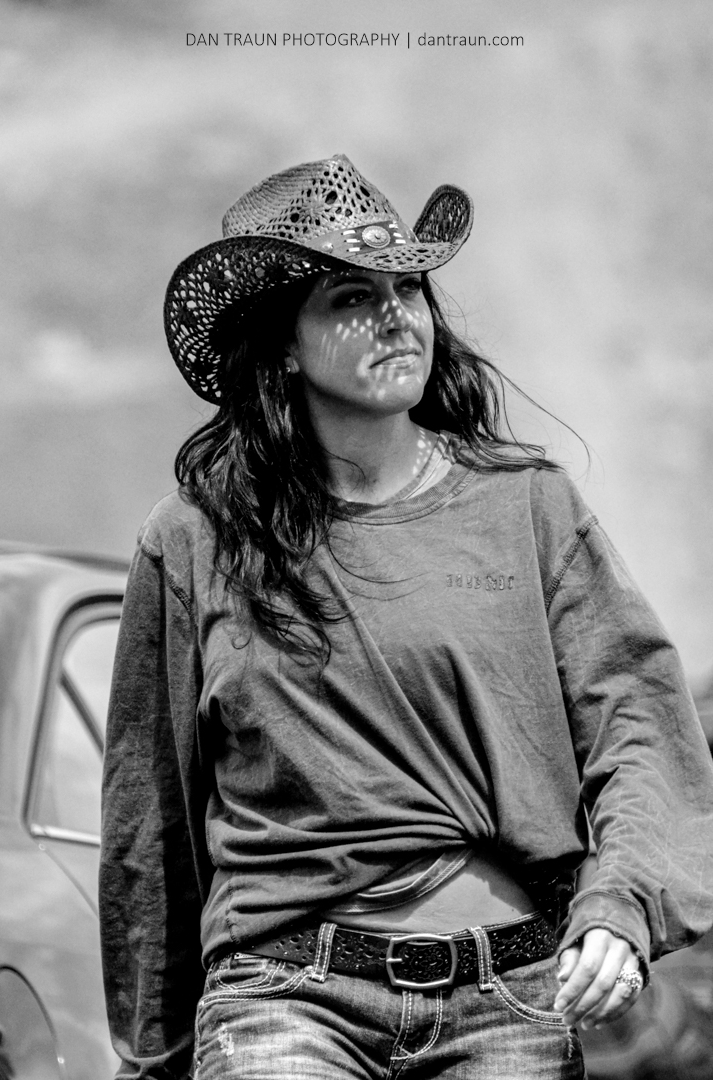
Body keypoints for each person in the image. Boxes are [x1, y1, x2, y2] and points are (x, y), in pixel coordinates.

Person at [99, 154, 713, 1080]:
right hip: (283, 997)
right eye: (352, 296)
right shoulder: (193, 539)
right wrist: (155, 1054)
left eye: (409, 288)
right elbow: (148, 817)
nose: (396, 316)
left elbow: (640, 725)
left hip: (510, 1001)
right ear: (280, 346)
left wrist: (619, 906)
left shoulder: (529, 506)